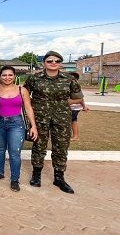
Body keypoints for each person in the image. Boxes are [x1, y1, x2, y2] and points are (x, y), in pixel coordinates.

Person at [24, 50, 83, 193]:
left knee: (61, 147)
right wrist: (35, 103)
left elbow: (78, 97)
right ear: (44, 63)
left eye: (57, 61)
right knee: (39, 146)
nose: (53, 63)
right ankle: (36, 175)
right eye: (50, 61)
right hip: (40, 117)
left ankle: (59, 178)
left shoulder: (69, 79)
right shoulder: (34, 78)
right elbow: (25, 93)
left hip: (61, 118)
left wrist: (61, 102)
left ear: (60, 63)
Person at [0, 66, 38, 192]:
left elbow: (28, 108)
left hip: (16, 124)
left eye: (10, 75)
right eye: (4, 75)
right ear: (0, 76)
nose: (7, 77)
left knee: (14, 153)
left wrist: (33, 126)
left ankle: (14, 179)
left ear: (14, 76)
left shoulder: (22, 90)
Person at [68, 72, 89, 141]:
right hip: (72, 107)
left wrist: (84, 107)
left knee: (73, 121)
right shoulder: (69, 86)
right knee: (71, 121)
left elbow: (81, 99)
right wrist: (84, 107)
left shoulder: (75, 87)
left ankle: (75, 136)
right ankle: (73, 135)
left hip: (74, 108)